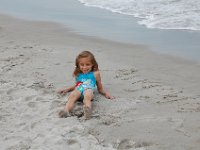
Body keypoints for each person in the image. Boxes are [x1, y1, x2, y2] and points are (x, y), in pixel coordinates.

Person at [58, 50, 114, 119]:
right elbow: (77, 85)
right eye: (82, 65)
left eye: (87, 64)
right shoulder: (78, 74)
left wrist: (106, 94)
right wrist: (67, 89)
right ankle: (66, 111)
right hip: (79, 89)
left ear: (92, 64)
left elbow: (100, 88)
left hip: (88, 90)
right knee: (72, 95)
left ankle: (88, 109)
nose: (84, 67)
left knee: (87, 95)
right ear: (78, 65)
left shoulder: (95, 74)